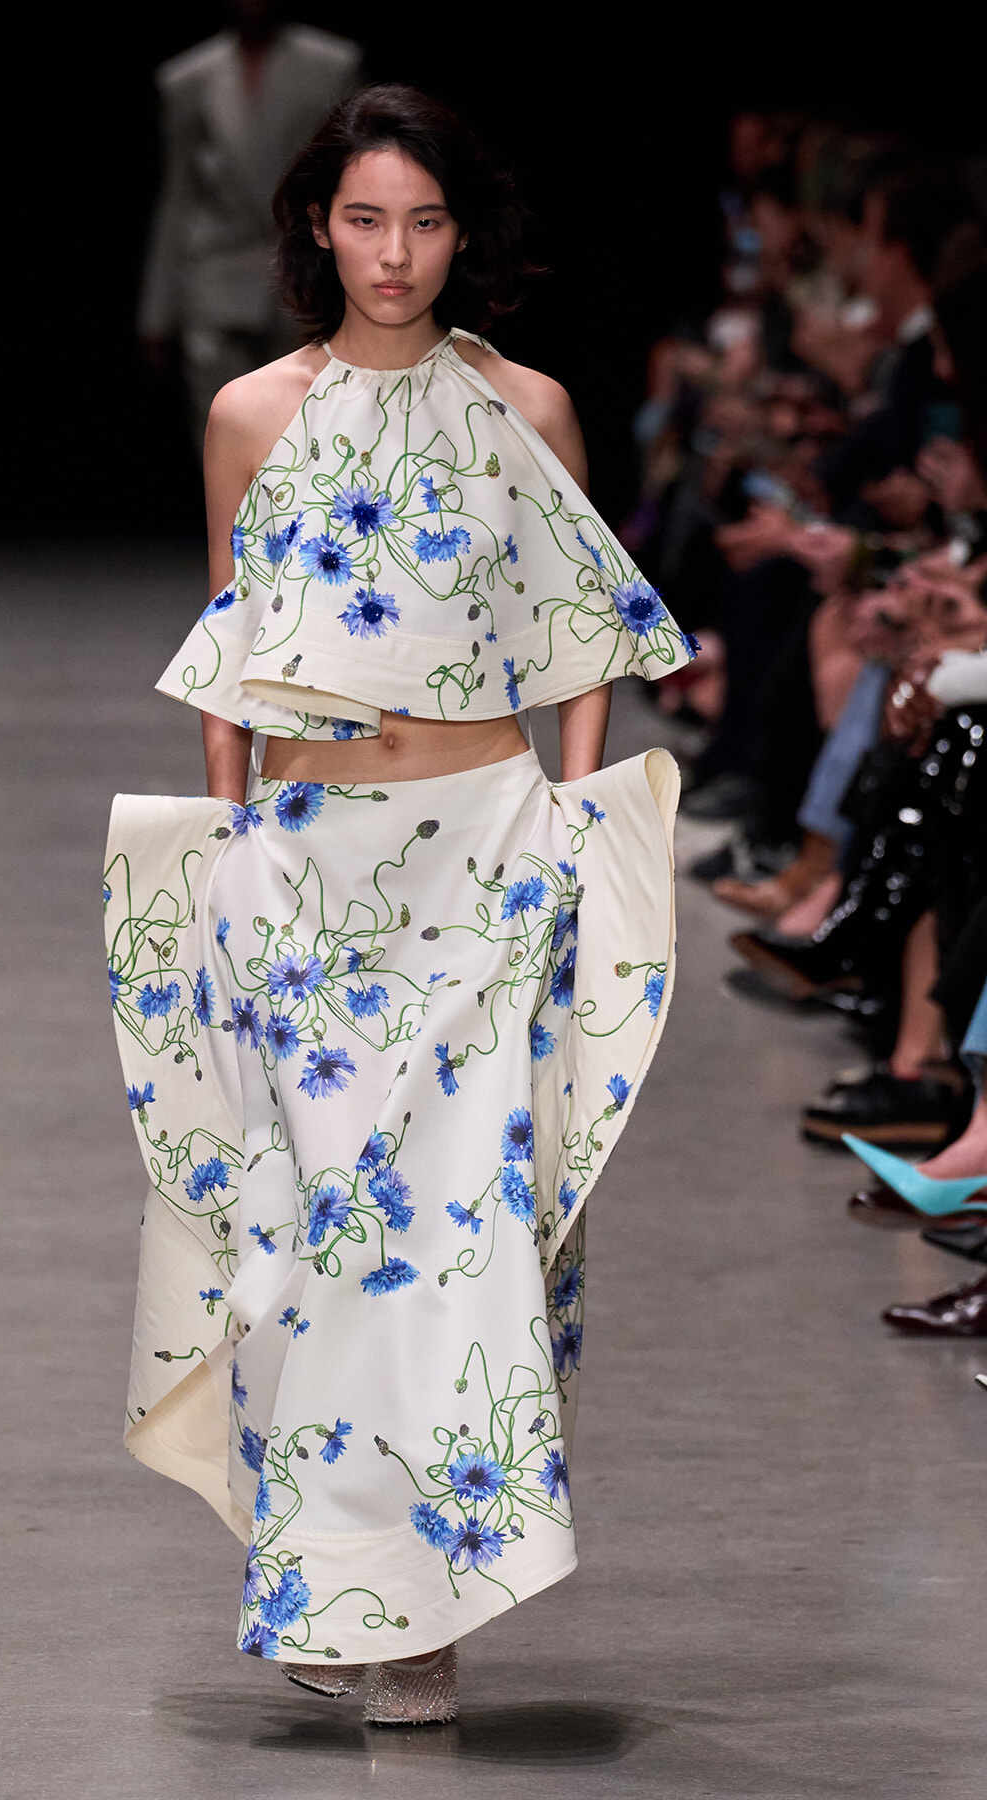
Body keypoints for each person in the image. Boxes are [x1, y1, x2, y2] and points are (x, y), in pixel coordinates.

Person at [106, 85, 696, 1726]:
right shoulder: (252, 413)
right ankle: (328, 1568)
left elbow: (580, 628)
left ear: (461, 233)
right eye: (365, 218)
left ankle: (417, 1616)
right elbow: (231, 636)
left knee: (457, 1243)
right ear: (315, 226)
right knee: (305, 1241)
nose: (393, 250)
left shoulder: (533, 408)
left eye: (423, 221)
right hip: (307, 862)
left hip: (480, 853)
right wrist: (228, 840)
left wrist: (571, 826)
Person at [138, 0, 360, 454]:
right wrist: (158, 310)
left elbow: (356, 176)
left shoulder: (332, 65)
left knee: (304, 424)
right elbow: (177, 195)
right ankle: (232, 526)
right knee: (219, 426)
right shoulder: (187, 79)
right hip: (215, 269)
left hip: (303, 263)